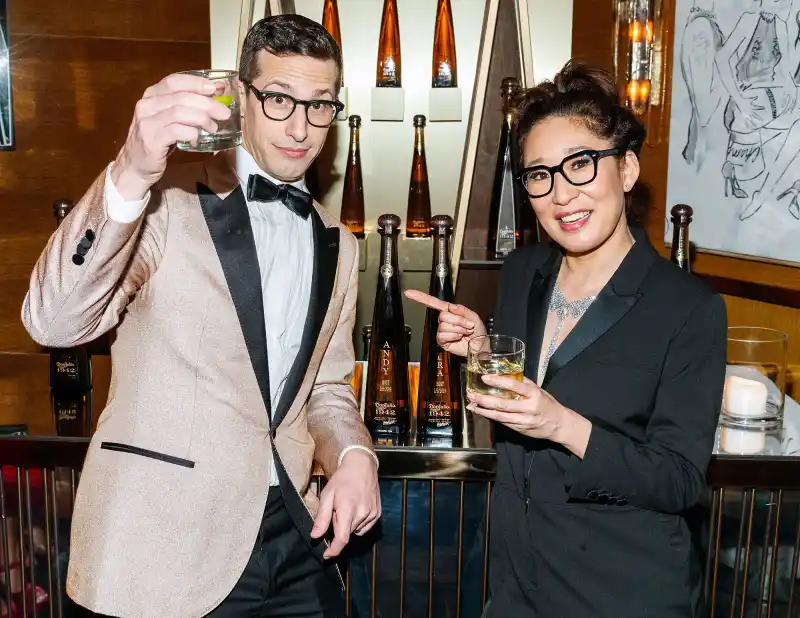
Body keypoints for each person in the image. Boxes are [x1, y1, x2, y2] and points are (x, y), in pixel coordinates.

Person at [21, 14, 380, 618]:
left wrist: (353, 455)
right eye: (279, 99)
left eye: (321, 105)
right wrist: (132, 170)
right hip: (162, 544)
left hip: (293, 538)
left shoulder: (338, 244)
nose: (301, 126)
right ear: (241, 96)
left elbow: (325, 387)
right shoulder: (161, 205)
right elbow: (54, 323)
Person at [407, 60, 727, 617]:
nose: (561, 194)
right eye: (539, 175)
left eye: (580, 164)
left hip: (620, 592)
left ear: (626, 169)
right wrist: (483, 349)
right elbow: (525, 396)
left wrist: (564, 425)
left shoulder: (688, 308)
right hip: (514, 584)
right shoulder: (523, 270)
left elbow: (679, 481)